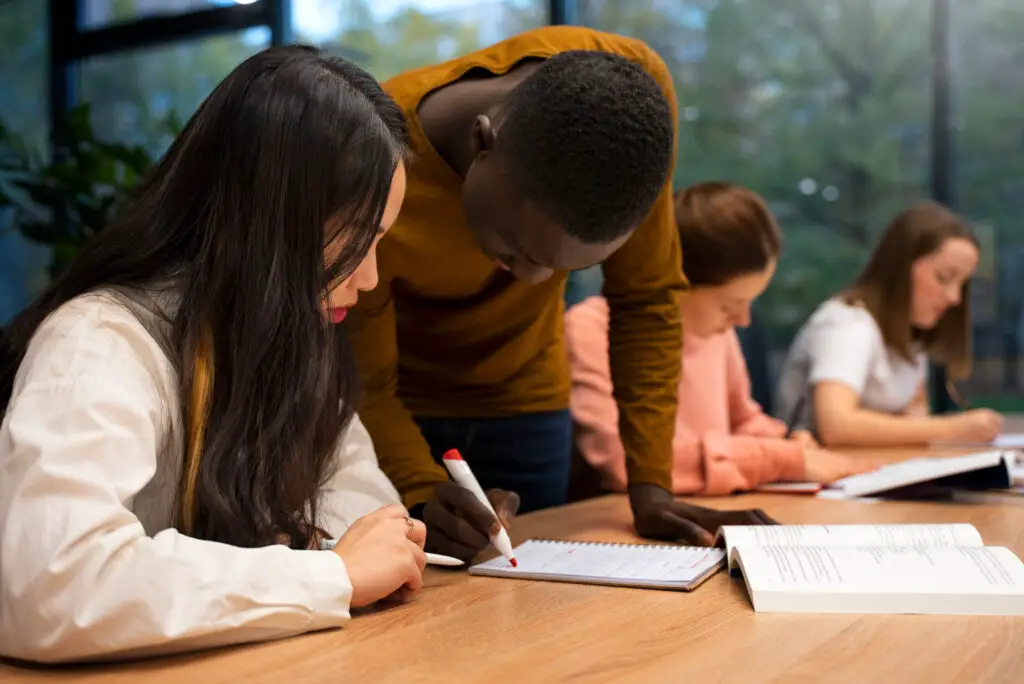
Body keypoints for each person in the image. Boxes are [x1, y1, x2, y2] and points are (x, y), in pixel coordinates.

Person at [0, 46, 425, 663]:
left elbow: (364, 515)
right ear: (271, 221)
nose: (370, 278)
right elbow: (52, 584)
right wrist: (328, 577)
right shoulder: (99, 342)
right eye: (359, 238)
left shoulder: (284, 342)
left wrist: (360, 551)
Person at [349, 26, 774, 557]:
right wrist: (415, 489)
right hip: (400, 413)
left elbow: (646, 301)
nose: (530, 284)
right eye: (515, 248)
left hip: (529, 405)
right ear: (483, 142)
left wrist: (651, 487)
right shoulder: (373, 151)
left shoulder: (632, 103)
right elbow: (366, 380)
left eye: (563, 269)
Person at [566, 182, 878, 496]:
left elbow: (741, 419)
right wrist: (777, 459)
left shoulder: (719, 332)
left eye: (749, 303)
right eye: (729, 306)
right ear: (675, 282)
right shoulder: (589, 331)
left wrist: (786, 441)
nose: (742, 321)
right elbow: (628, 465)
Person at [774, 201, 1003, 446]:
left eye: (963, 284)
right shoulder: (848, 324)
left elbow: (916, 422)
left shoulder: (912, 337)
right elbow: (836, 425)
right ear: (900, 269)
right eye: (944, 278)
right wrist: (953, 427)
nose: (954, 297)